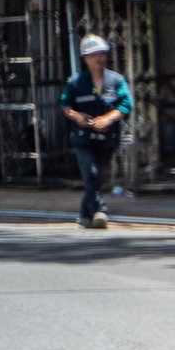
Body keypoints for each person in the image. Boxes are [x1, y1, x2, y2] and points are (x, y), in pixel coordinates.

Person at [60, 34, 132, 230]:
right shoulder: (75, 83)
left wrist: (108, 118)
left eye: (101, 54)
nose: (98, 59)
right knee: (90, 173)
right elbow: (66, 106)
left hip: (108, 137)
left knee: (99, 176)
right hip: (83, 138)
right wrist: (77, 117)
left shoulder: (116, 81)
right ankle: (100, 211)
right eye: (93, 55)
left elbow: (126, 104)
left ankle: (84, 214)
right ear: (85, 58)